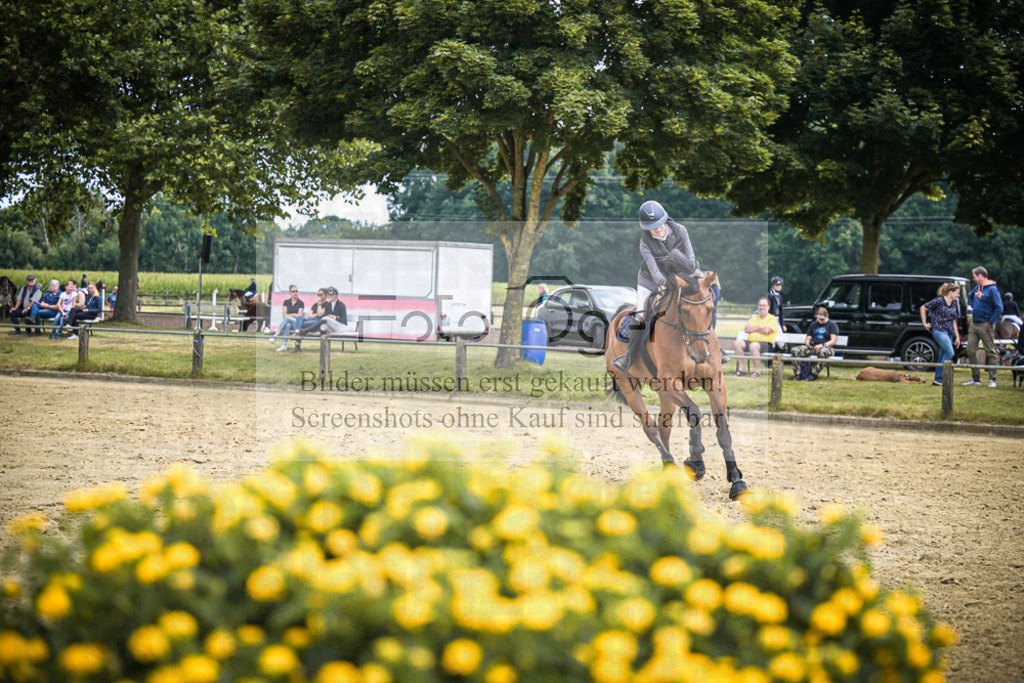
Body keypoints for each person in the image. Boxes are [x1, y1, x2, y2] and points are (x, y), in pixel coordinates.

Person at [612, 200, 700, 373]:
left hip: (681, 274)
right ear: (646, 228)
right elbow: (655, 274)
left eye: (660, 225)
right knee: (640, 315)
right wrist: (669, 283)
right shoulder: (644, 243)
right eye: (653, 227)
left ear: (665, 220)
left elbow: (690, 258)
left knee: (700, 303)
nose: (658, 229)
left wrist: (683, 278)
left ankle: (714, 348)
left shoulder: (680, 230)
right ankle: (629, 356)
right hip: (650, 280)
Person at [963, 266, 1002, 388]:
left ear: (980, 276)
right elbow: (970, 296)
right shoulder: (978, 287)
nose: (973, 279)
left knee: (990, 351)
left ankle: (992, 379)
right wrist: (974, 306)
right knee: (970, 350)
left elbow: (999, 307)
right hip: (974, 324)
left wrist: (990, 322)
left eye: (974, 276)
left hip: (986, 324)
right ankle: (976, 378)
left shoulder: (992, 290)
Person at [921, 283, 962, 386]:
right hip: (939, 331)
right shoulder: (939, 301)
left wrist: (957, 336)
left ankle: (937, 380)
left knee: (942, 356)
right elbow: (923, 308)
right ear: (951, 292)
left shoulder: (954, 303)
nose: (958, 295)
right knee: (950, 352)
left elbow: (953, 321)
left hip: (949, 333)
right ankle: (940, 377)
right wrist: (924, 323)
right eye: (957, 293)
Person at [732, 297, 778, 378]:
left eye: (764, 305)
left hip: (766, 344)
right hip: (752, 342)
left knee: (753, 345)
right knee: (737, 343)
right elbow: (746, 329)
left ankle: (757, 371)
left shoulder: (772, 318)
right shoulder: (754, 318)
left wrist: (753, 329)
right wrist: (759, 327)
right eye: (760, 305)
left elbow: (767, 331)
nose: (761, 307)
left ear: (768, 307)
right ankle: (742, 368)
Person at [790, 306, 839, 381]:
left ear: (826, 316)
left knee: (823, 352)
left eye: (822, 319)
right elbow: (807, 339)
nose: (820, 321)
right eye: (818, 319)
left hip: (826, 347)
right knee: (794, 350)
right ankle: (798, 374)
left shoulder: (832, 325)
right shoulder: (814, 324)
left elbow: (833, 341)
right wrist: (808, 344)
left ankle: (814, 374)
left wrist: (821, 345)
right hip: (813, 347)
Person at [270, 285, 305, 352]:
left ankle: (276, 334)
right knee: (288, 324)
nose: (295, 293)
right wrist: (294, 315)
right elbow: (284, 316)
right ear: (290, 292)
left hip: (297, 324)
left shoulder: (301, 303)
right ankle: (284, 345)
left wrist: (289, 315)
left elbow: (299, 316)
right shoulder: (286, 302)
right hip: (289, 322)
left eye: (296, 291)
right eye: (293, 291)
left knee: (287, 319)